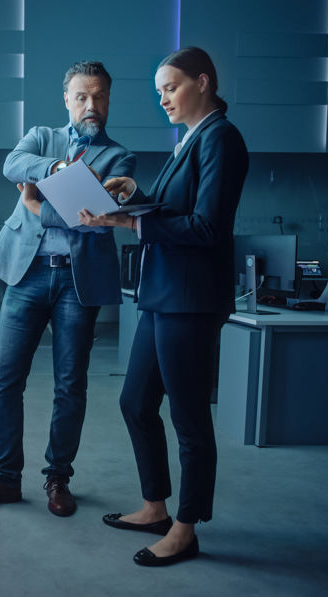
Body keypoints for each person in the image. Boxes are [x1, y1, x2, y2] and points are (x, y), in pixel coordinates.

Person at [78, 47, 248, 566]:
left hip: (190, 303)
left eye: (170, 88)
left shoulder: (221, 138)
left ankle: (185, 527)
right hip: (162, 296)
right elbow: (174, 208)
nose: (162, 99)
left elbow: (206, 227)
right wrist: (133, 194)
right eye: (158, 92)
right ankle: (155, 504)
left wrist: (125, 223)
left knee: (190, 419)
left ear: (203, 82)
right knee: (135, 403)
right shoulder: (191, 140)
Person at [0, 61, 136, 517]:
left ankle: (58, 478)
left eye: (99, 97)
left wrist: (36, 200)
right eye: (81, 97)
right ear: (67, 99)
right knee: (5, 381)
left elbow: (93, 222)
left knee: (70, 387)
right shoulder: (40, 137)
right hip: (27, 273)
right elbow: (12, 163)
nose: (91, 106)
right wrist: (59, 169)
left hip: (79, 284)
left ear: (109, 99)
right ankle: (4, 479)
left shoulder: (120, 159)